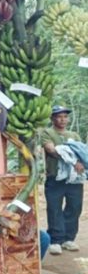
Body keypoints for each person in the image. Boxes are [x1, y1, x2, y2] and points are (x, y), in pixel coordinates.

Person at [42, 105, 84, 254]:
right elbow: (51, 150)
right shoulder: (47, 133)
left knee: (74, 207)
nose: (63, 119)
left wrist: (79, 162)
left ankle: (68, 239)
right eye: (59, 116)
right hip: (55, 177)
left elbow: (81, 152)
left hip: (74, 178)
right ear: (52, 118)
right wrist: (73, 161)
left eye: (65, 116)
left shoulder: (74, 135)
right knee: (54, 208)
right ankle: (55, 240)